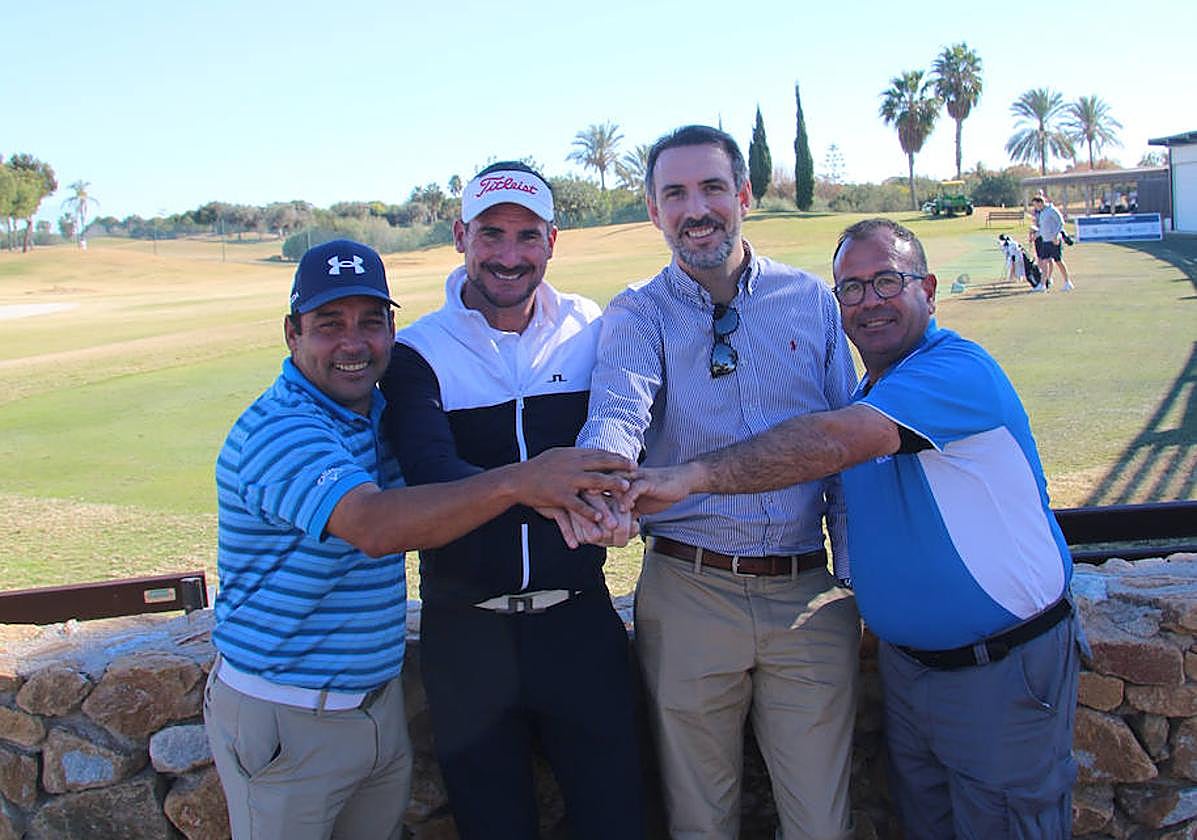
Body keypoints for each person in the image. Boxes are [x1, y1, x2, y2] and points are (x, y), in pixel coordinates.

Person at [625, 218, 1081, 839]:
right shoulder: (870, 389)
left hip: (998, 674)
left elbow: (830, 443)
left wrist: (690, 478)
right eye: (852, 288)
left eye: (887, 281)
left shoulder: (954, 372)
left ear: (930, 288)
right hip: (912, 675)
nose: (869, 301)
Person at [206, 238, 633, 840]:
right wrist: (524, 481)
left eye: (372, 323)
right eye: (329, 324)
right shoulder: (284, 429)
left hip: (372, 707)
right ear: (291, 333)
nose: (354, 344)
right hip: (287, 711)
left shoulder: (372, 413)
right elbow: (376, 527)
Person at [577, 125, 861, 840]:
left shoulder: (809, 301)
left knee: (820, 824)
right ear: (652, 211)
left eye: (710, 188)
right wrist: (603, 490)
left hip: (806, 593)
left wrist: (856, 580)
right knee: (700, 823)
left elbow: (847, 449)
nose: (694, 208)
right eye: (674, 193)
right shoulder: (637, 313)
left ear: (742, 195)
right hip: (689, 591)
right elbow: (617, 411)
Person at [378, 164, 645, 839]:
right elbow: (432, 473)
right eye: (490, 233)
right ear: (460, 234)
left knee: (616, 818)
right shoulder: (418, 351)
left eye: (527, 235)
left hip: (578, 625)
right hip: (465, 633)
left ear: (552, 240)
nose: (507, 254)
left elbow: (624, 439)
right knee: (493, 824)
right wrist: (541, 483)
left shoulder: (591, 327)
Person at [1032, 195, 1074, 291]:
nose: (1035, 207)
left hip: (1054, 241)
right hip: (1045, 241)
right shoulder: (1042, 213)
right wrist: (1037, 235)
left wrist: (1056, 235)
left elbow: (1061, 223)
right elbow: (1043, 228)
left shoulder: (1052, 210)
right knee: (1044, 262)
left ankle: (1068, 282)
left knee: (1058, 261)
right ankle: (1042, 285)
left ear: (1040, 203)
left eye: (1036, 205)